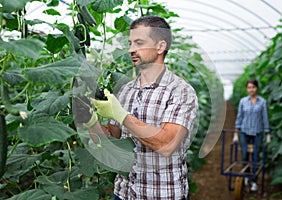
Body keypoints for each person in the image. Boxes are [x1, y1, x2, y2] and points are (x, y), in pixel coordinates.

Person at [74, 16, 198, 199]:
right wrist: (91, 121)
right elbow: (112, 141)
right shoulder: (125, 91)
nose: (131, 49)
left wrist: (122, 116)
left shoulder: (180, 91)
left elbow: (166, 144)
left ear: (160, 47)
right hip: (123, 193)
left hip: (161, 194)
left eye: (139, 43)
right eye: (131, 43)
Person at [233, 79, 271, 191]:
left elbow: (265, 118)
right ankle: (246, 176)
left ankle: (254, 181)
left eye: (253, 87)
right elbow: (239, 117)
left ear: (257, 88)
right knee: (245, 156)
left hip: (257, 133)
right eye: (249, 87)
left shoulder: (262, 102)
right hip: (244, 132)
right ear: (247, 89)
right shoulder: (243, 101)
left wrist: (268, 132)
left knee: (255, 157)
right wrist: (236, 133)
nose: (251, 90)